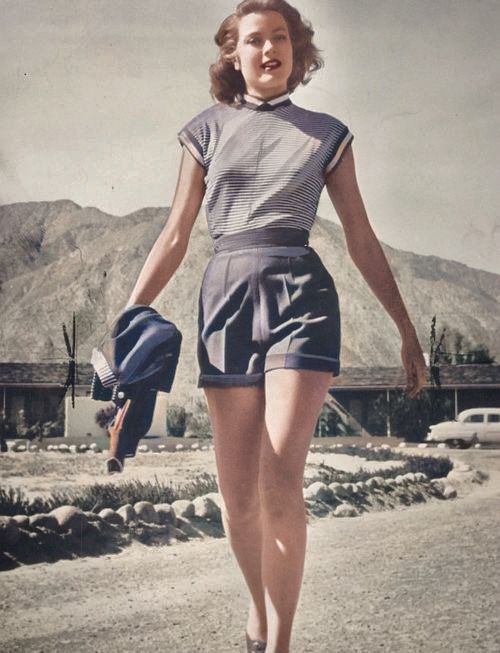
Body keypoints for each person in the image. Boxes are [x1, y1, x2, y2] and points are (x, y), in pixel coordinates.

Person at [125, 1, 427, 651]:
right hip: (225, 297)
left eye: (281, 38)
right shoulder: (204, 130)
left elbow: (362, 239)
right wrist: (131, 311)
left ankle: (281, 642)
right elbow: (177, 232)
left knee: (279, 476)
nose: (270, 49)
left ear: (298, 49)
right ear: (233, 53)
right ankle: (258, 609)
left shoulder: (327, 134)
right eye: (255, 39)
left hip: (302, 296)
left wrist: (404, 326)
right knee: (238, 500)